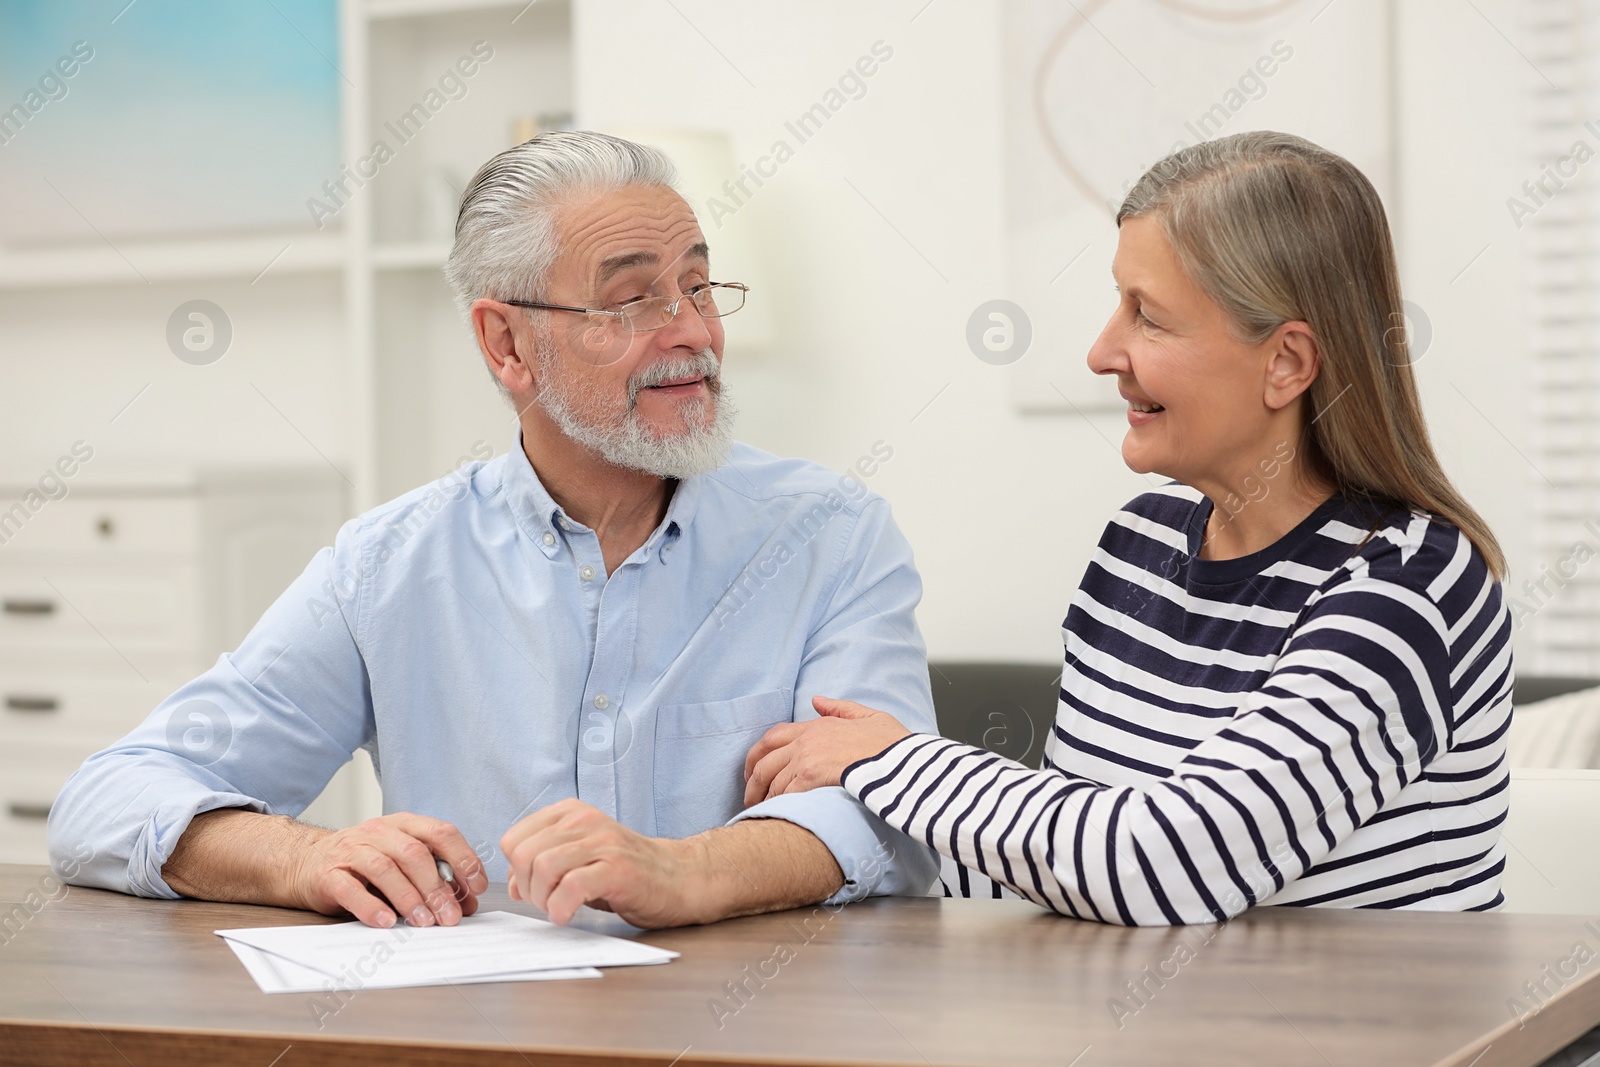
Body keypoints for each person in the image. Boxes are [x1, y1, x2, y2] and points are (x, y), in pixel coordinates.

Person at [49, 131, 937, 929]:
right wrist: (306, 856)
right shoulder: (390, 566)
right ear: (506, 345)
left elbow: (903, 817)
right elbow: (109, 799)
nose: (693, 332)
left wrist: (688, 869)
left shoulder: (833, 534)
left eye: (699, 287)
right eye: (632, 300)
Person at [744, 131, 1513, 924]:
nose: (1101, 351)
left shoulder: (1412, 585)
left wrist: (891, 760)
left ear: (1286, 363)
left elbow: (1165, 864)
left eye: (1147, 316)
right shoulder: (1139, 549)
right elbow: (1056, 862)